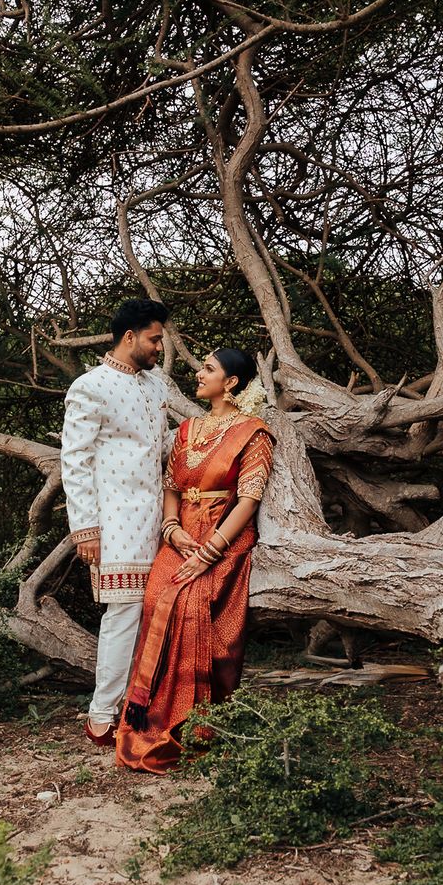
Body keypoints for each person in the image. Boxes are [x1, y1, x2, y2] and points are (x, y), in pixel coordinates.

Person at [115, 347, 275, 773]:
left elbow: (249, 499)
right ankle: (148, 714)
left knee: (192, 607)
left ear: (233, 383)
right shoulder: (187, 429)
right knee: (156, 602)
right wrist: (171, 528)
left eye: (209, 368)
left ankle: (198, 720)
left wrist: (210, 551)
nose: (199, 374)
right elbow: (171, 484)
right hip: (181, 533)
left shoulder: (253, 432)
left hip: (225, 535)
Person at [61, 298, 171, 745]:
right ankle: (101, 716)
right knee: (123, 615)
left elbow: (165, 449)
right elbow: (75, 460)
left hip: (159, 520)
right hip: (116, 521)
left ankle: (137, 704)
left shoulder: (157, 385)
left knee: (154, 614)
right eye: (155, 338)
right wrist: (85, 528)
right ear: (130, 337)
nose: (159, 348)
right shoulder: (91, 386)